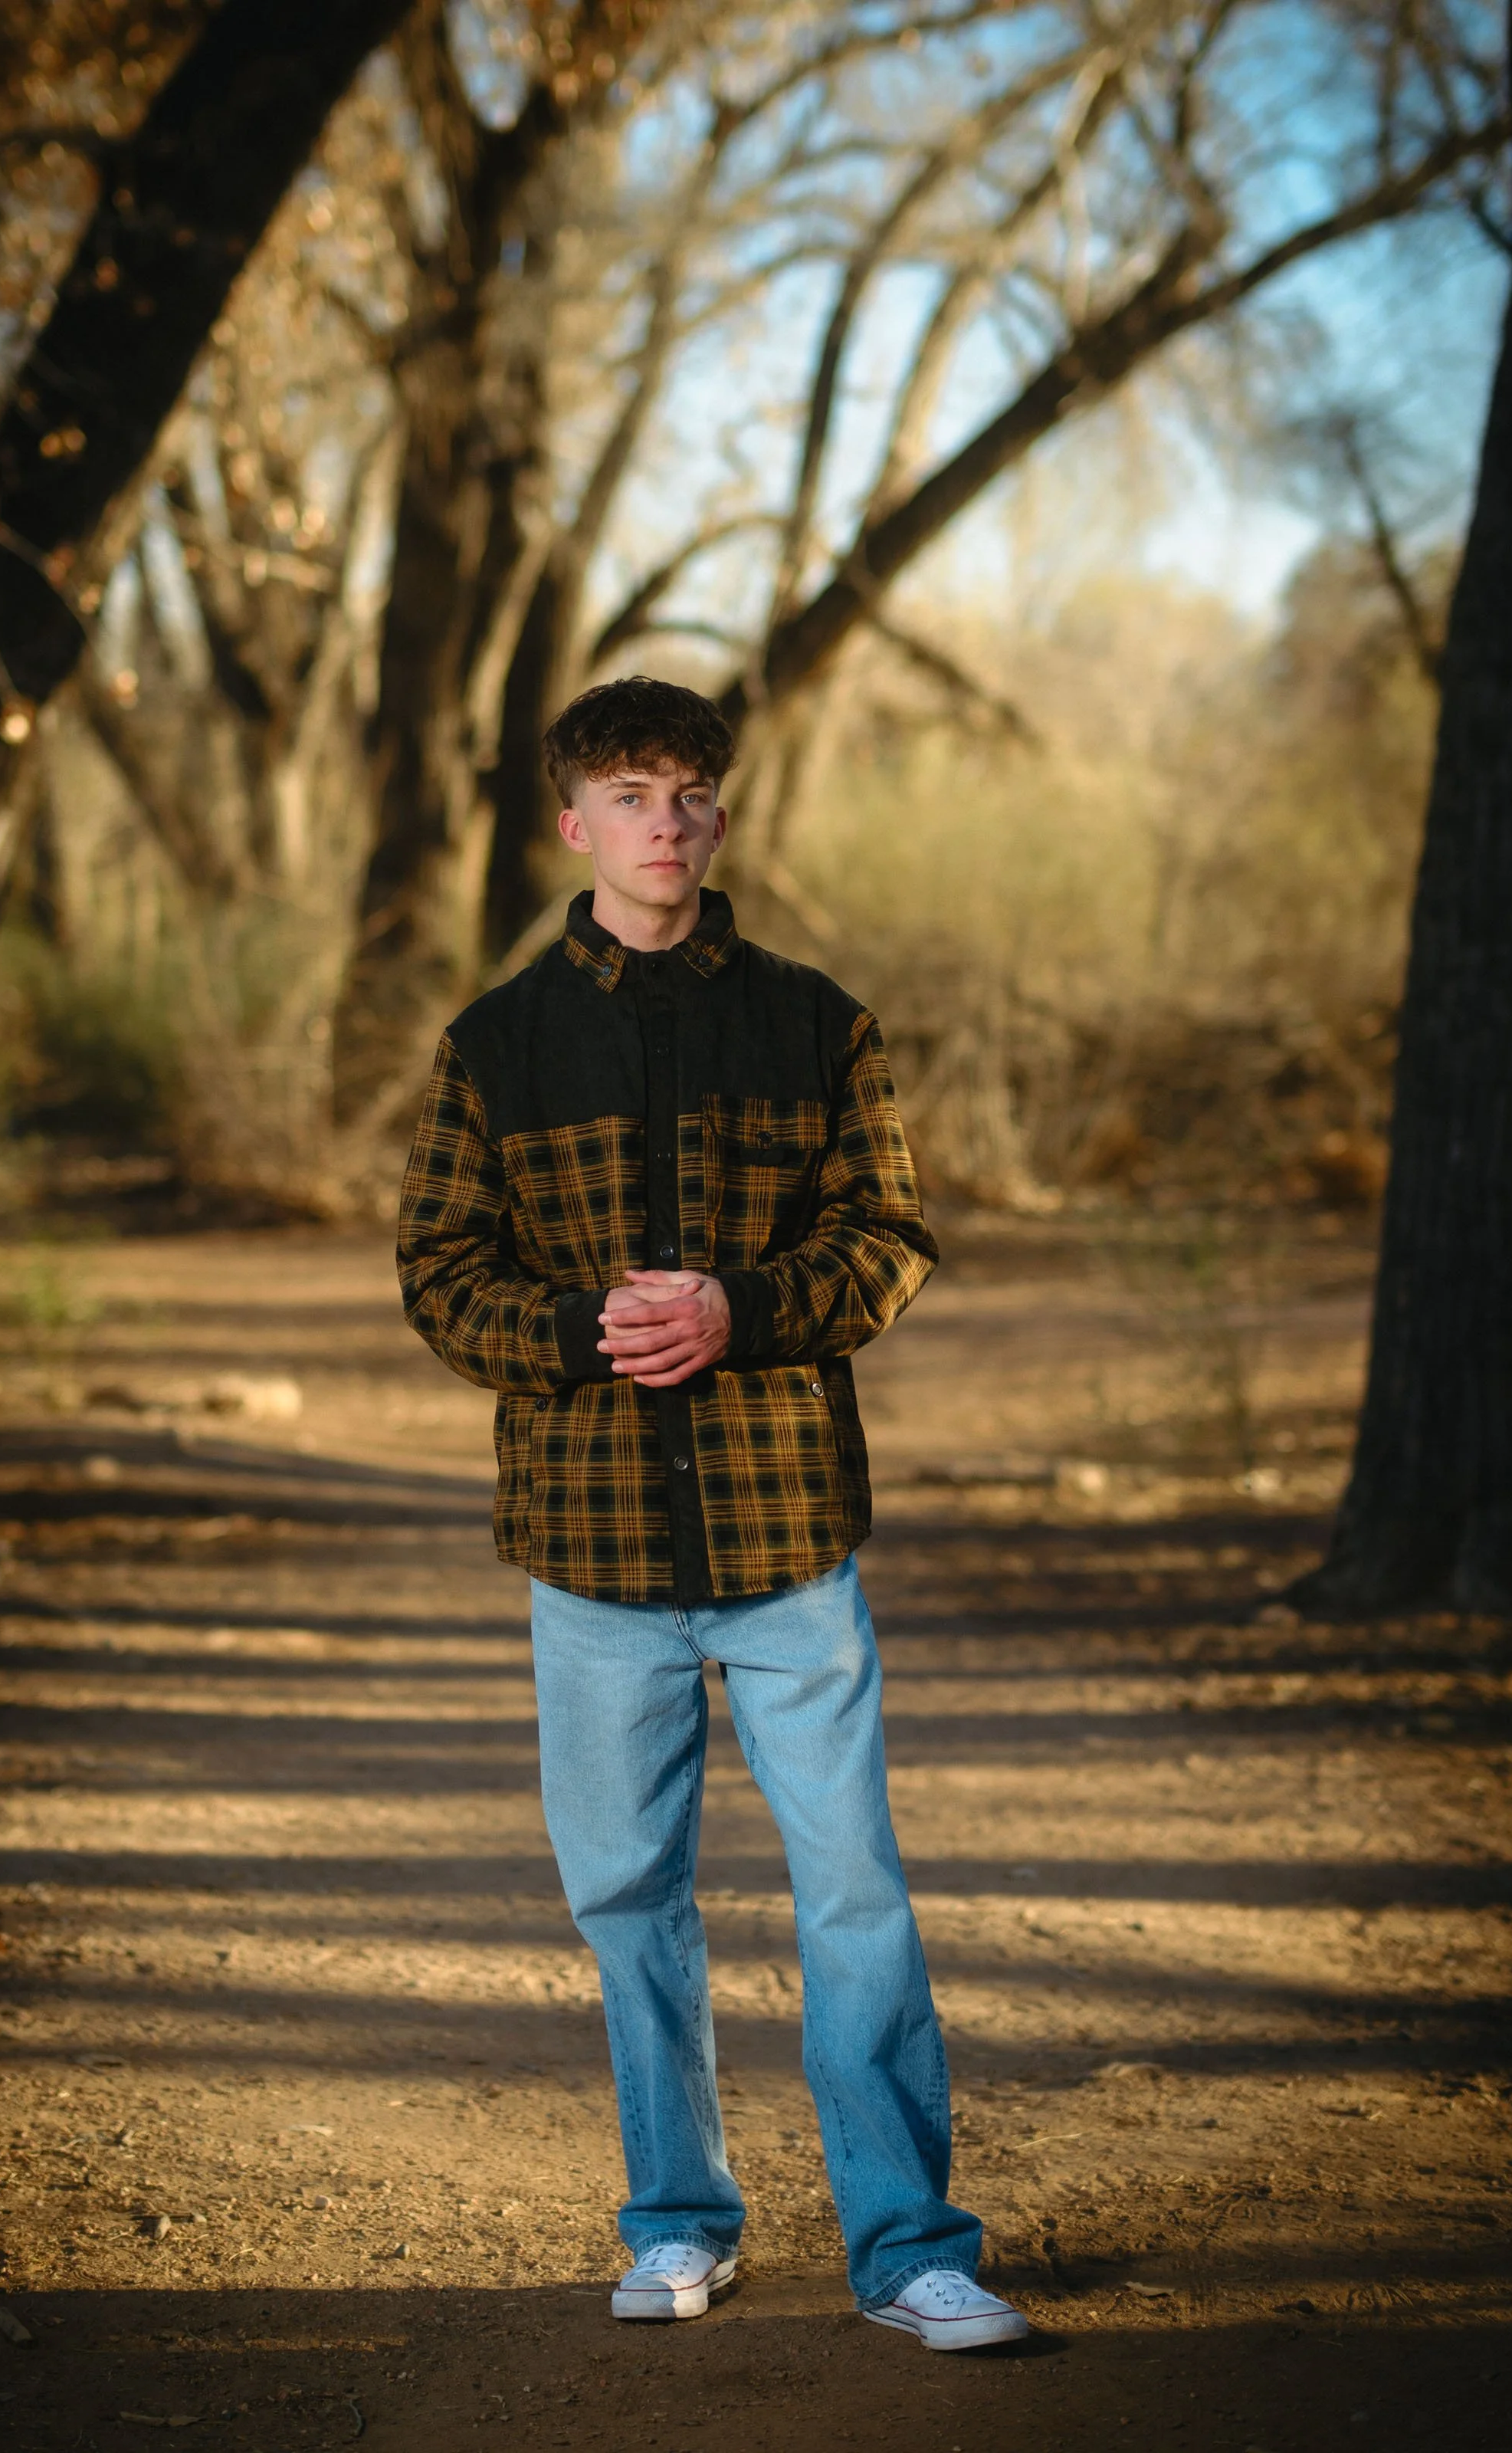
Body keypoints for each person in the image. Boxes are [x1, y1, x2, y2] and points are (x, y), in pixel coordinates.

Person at [396, 675, 1026, 2353]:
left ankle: (912, 2250)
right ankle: (679, 2223)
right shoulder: (498, 1044)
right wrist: (583, 1329)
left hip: (786, 1541)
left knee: (857, 1900)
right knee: (630, 1902)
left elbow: (888, 1238)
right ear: (573, 823)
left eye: (688, 792)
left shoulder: (821, 1021)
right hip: (593, 1554)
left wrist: (743, 1309)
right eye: (628, 792)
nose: (662, 822)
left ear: (720, 818)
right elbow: (440, 1274)